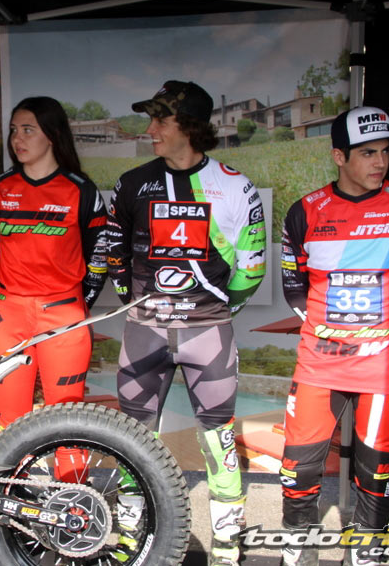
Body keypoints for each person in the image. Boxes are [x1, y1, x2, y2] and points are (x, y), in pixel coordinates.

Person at [107, 81, 266, 566]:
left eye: (162, 119)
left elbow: (252, 268)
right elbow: (115, 255)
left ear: (190, 126)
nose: (151, 129)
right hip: (146, 329)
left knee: (218, 438)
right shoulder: (132, 182)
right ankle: (133, 534)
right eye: (151, 119)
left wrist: (216, 310)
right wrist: (139, 305)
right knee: (133, 437)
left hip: (207, 330)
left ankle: (227, 544)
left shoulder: (235, 186)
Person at [278, 106, 389, 566]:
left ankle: (366, 552)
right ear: (338, 156)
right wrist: (331, 328)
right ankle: (296, 547)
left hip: (384, 366)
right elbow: (294, 285)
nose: (380, 162)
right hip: (321, 360)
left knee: (376, 470)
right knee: (298, 467)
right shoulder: (305, 212)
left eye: (385, 151)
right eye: (368, 152)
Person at [0, 96, 108, 470]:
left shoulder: (80, 190)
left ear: (52, 134)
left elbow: (98, 258)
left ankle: (72, 499)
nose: (17, 139)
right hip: (9, 316)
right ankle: (9, 501)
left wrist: (74, 304)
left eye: (28, 130)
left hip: (64, 315)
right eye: (13, 130)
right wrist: (13, 294)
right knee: (10, 423)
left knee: (68, 422)